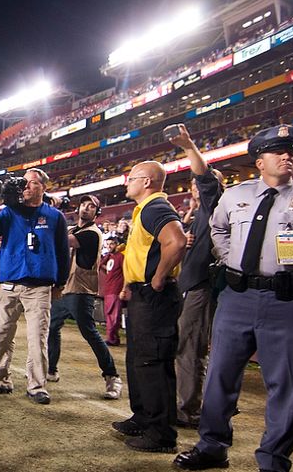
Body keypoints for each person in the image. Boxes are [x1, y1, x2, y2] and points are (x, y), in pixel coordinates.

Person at [175, 125, 293, 472]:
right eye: (279, 152)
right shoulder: (235, 196)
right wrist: (230, 259)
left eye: (292, 151)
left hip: (288, 302)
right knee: (219, 376)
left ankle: (274, 459)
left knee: (285, 383)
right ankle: (212, 446)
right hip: (237, 296)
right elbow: (218, 229)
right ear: (260, 161)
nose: (288, 156)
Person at [0, 168, 70, 405]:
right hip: (9, 284)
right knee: (2, 335)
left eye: (32, 182)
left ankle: (37, 386)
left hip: (39, 287)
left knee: (38, 337)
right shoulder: (9, 211)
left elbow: (62, 251)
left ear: (44, 188)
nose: (26, 186)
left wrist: (61, 282)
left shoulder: (55, 216)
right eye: (23, 183)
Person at [112, 160, 186, 453]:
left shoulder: (155, 207)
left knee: (152, 362)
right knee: (139, 360)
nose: (126, 183)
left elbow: (177, 242)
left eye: (131, 178)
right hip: (143, 296)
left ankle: (160, 433)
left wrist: (156, 278)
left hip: (156, 297)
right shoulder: (145, 209)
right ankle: (144, 417)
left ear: (147, 181)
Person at [167, 123, 226, 429]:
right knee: (184, 346)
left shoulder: (214, 201)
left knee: (190, 348)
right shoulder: (201, 214)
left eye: (199, 183)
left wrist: (188, 145)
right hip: (189, 285)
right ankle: (184, 404)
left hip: (202, 286)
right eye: (191, 183)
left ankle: (189, 409)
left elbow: (205, 178)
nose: (194, 185)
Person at [46, 193, 123, 400]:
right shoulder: (75, 229)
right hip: (65, 288)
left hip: (81, 290)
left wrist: (51, 213)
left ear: (97, 213)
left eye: (91, 206)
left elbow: (64, 240)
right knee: (52, 327)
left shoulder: (92, 233)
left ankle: (112, 376)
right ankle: (51, 370)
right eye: (83, 205)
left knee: (89, 332)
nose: (85, 208)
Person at [99, 236, 124, 346]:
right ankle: (112, 338)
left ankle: (112, 338)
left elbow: (125, 272)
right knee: (108, 314)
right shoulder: (109, 257)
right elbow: (101, 265)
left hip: (116, 289)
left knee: (114, 315)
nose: (109, 246)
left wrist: (124, 288)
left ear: (117, 244)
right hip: (108, 289)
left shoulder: (121, 257)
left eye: (112, 244)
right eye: (107, 244)